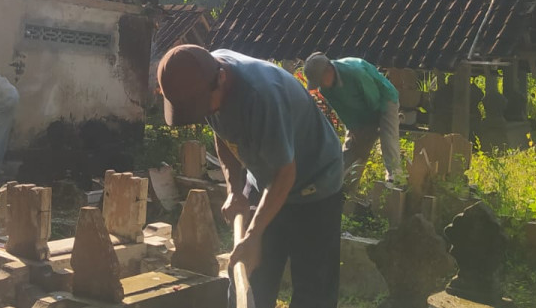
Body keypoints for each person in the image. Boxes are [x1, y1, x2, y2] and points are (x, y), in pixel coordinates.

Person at [158, 45, 344, 308]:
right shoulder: (204, 75)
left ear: (222, 78)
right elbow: (221, 132)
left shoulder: (262, 96)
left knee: (314, 292)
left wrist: (254, 235)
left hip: (315, 183)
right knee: (249, 276)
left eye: (203, 107)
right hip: (267, 182)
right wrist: (234, 188)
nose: (204, 115)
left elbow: (285, 173)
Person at [303, 53, 401, 186]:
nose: (319, 85)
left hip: (384, 99)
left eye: (320, 80)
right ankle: (340, 185)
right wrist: (355, 129)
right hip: (361, 111)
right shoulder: (326, 90)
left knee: (388, 137)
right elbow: (343, 112)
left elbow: (374, 98)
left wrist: (373, 127)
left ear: (329, 70)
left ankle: (396, 179)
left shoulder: (355, 72)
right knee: (352, 147)